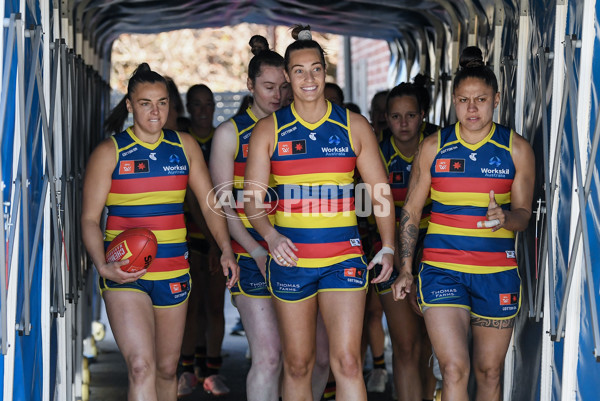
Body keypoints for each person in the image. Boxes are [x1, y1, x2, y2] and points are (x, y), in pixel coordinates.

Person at [244, 25, 396, 401]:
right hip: (291, 259)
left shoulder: (353, 125)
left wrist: (390, 246)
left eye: (315, 69)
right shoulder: (268, 130)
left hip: (342, 259)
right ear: (286, 76)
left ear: (325, 72)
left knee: (345, 362)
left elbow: (380, 193)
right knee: (298, 364)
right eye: (298, 70)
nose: (308, 78)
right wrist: (271, 235)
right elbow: (251, 201)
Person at [81, 63, 238, 401]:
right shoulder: (110, 152)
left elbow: (209, 203)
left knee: (168, 371)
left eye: (162, 102)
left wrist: (224, 247)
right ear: (129, 105)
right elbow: (89, 220)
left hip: (174, 273)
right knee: (141, 366)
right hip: (125, 273)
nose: (155, 111)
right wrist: (102, 265)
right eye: (145, 103)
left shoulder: (184, 146)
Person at [392, 46, 535, 401]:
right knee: (454, 368)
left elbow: (524, 214)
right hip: (442, 270)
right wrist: (406, 268)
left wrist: (505, 217)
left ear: (496, 99)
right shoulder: (433, 146)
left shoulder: (516, 149)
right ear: (452, 101)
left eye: (481, 99)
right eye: (463, 100)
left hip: (495, 273)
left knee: (489, 373)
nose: (471, 109)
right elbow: (410, 209)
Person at [209, 34, 289, 401]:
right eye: (268, 87)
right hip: (250, 255)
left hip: (300, 255)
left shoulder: (301, 130)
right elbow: (222, 207)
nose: (277, 95)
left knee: (308, 360)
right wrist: (255, 250)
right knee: (269, 357)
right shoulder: (229, 133)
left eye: (283, 87)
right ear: (250, 85)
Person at [375, 82, 435, 400]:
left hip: (437, 252)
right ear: (386, 118)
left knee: (429, 345)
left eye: (410, 115)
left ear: (422, 116)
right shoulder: (377, 152)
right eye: (396, 116)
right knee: (406, 345)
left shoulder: (437, 148)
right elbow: (375, 223)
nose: (403, 123)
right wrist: (404, 271)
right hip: (390, 251)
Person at [177, 83, 231, 396]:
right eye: (196, 105)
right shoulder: (181, 142)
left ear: (213, 106)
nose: (202, 110)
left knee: (214, 307)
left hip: (219, 237)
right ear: (188, 107)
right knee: (189, 307)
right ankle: (187, 369)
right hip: (187, 237)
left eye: (207, 104)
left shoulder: (222, 139)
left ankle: (212, 370)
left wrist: (219, 244)